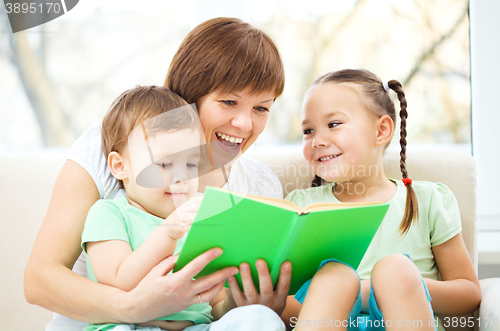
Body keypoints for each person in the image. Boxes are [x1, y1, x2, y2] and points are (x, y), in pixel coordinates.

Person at [24, 18, 292, 331]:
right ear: (190, 99)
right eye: (229, 102)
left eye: (261, 108)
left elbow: (221, 300)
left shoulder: (260, 185)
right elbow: (39, 281)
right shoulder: (117, 146)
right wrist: (132, 307)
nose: (245, 124)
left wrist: (258, 305)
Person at [284, 69, 481, 331]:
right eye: (308, 131)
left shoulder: (427, 200)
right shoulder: (300, 207)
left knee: (396, 269)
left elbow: (469, 295)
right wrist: (347, 293)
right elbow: (282, 306)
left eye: (333, 124)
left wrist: (390, 287)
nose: (317, 141)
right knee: (334, 279)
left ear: (382, 131)